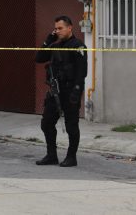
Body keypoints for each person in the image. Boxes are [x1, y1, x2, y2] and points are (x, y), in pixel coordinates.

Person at [35, 15, 87, 168]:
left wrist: (77, 91)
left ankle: (71, 157)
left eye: (60, 28)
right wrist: (48, 40)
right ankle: (52, 155)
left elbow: (82, 72)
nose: (57, 31)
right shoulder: (54, 45)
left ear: (70, 27)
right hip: (55, 91)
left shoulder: (78, 46)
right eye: (55, 29)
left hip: (71, 91)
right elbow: (39, 58)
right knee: (46, 123)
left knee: (71, 125)